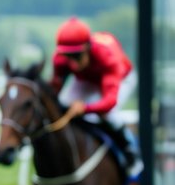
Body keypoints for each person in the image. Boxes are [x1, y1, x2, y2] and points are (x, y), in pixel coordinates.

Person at [49, 16, 141, 175]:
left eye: (77, 56)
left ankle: (130, 150)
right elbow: (55, 89)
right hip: (87, 78)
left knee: (107, 115)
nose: (72, 64)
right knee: (63, 104)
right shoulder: (59, 59)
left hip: (121, 78)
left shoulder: (107, 56)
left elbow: (109, 102)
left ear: (88, 48)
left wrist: (85, 108)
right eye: (68, 57)